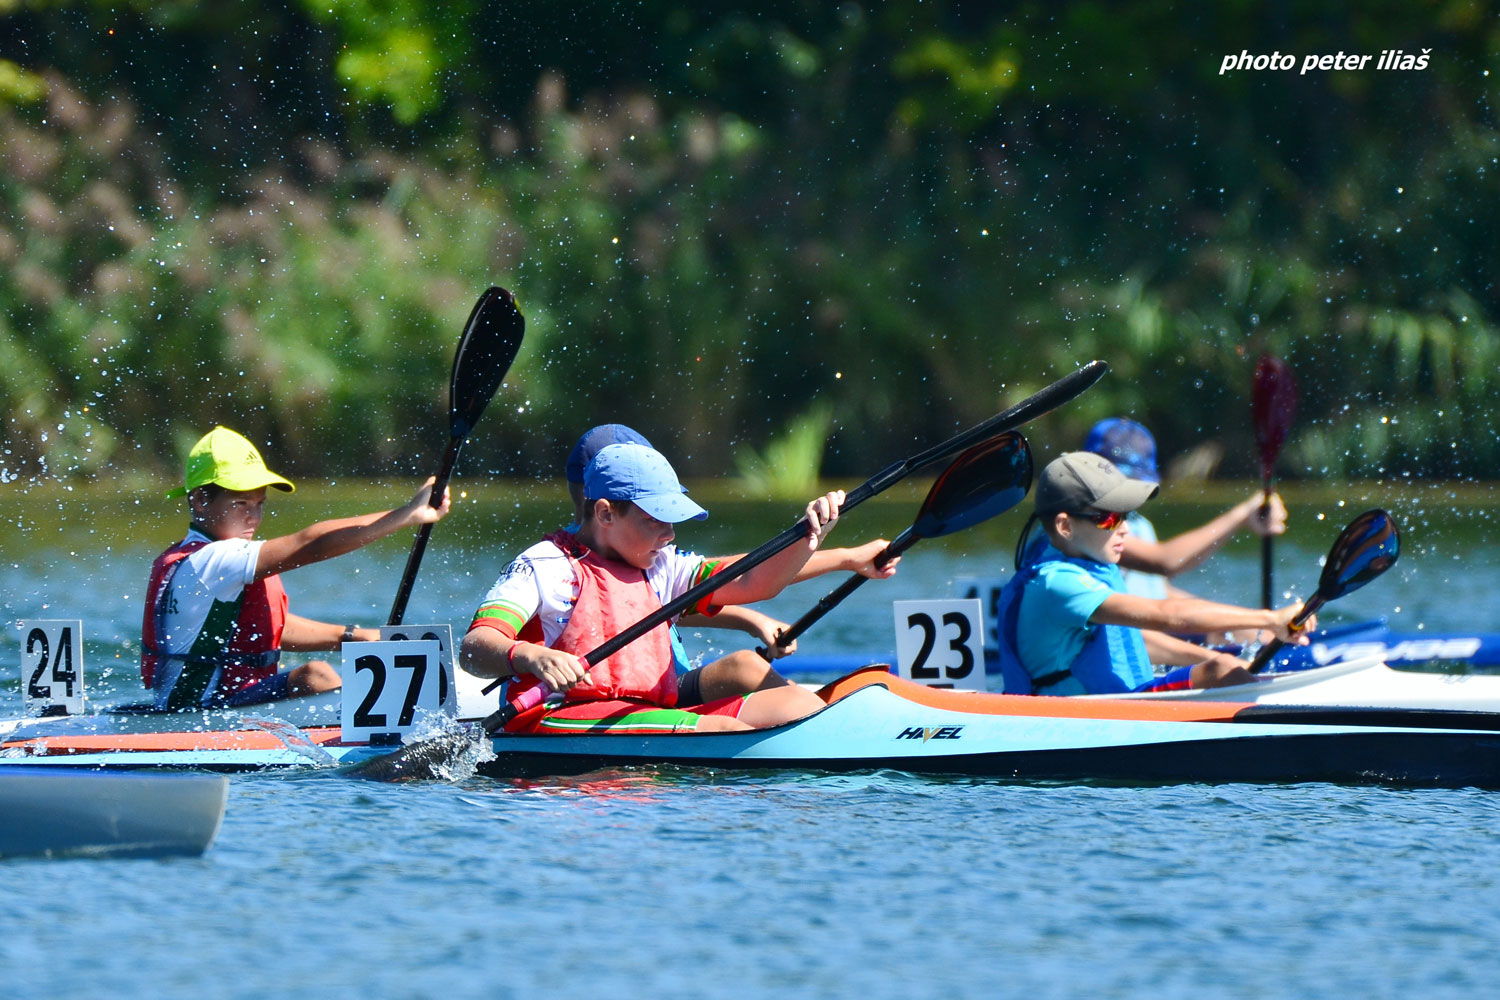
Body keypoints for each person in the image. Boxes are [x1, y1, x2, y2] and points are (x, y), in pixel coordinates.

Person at [460, 442, 867, 732]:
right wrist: (531, 656)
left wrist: (810, 535)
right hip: (558, 715)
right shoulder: (544, 565)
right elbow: (475, 648)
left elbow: (752, 579)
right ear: (605, 513)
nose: (669, 534)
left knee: (798, 705)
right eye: (655, 519)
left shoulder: (661, 566)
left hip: (646, 713)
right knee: (716, 729)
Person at [557, 424, 897, 709]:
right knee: (745, 667)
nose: (667, 530)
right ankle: (824, 721)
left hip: (659, 693)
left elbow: (741, 576)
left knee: (751, 671)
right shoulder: (552, 568)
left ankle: (819, 714)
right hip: (601, 708)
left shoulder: (654, 559)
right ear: (604, 507)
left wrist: (844, 557)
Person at [141, 426, 450, 711]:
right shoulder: (214, 559)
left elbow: (266, 628)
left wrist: (356, 637)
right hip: (204, 712)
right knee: (315, 676)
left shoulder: (192, 558)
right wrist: (406, 514)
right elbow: (310, 543)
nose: (254, 517)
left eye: (259, 504)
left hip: (208, 705)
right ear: (199, 500)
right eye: (241, 505)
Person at [995, 451, 1313, 696]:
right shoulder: (1057, 583)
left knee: (1223, 668)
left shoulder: (1089, 564)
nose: (1125, 529)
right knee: (1222, 670)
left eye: (1125, 516)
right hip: (1080, 716)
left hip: (1120, 702)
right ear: (1065, 526)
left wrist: (1209, 658)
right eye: (1108, 519)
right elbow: (1166, 615)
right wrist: (1268, 619)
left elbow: (1137, 640)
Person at [1083, 418, 1288, 600]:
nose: (1128, 493)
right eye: (1119, 480)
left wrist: (1237, 622)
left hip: (1151, 629)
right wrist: (1241, 515)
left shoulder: (1139, 525)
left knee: (1246, 632)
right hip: (1126, 635)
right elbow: (1165, 561)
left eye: (1136, 483)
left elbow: (1160, 594)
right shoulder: (1090, 526)